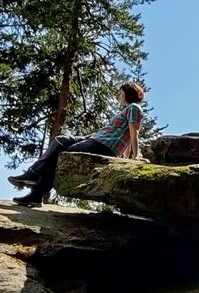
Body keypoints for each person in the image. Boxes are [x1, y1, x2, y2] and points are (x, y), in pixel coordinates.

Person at [8, 82, 146, 207]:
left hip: (103, 145)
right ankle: (33, 176)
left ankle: (35, 191)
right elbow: (128, 135)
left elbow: (134, 133)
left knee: (61, 155)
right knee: (60, 140)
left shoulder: (134, 108)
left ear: (128, 93)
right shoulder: (127, 109)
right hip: (94, 139)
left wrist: (135, 156)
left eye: (121, 93)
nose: (119, 96)